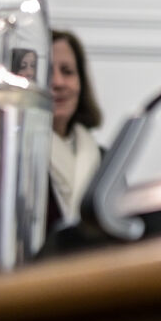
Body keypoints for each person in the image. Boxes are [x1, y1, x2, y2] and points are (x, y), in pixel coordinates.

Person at [48, 29, 102, 232]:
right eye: (46, 72)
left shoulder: (106, 160)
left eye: (67, 71)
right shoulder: (12, 160)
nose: (58, 82)